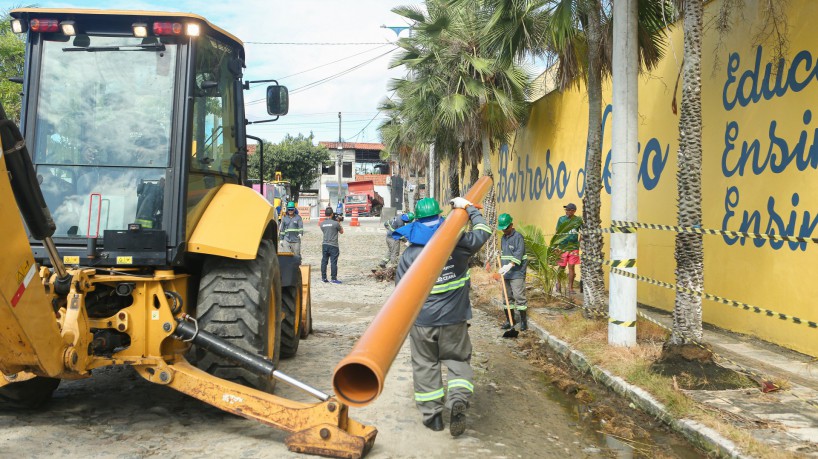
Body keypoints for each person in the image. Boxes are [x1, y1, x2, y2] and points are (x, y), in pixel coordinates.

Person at [394, 196, 492, 436]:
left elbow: (400, 293)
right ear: (440, 216)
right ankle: (458, 398)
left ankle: (433, 417)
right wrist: (468, 209)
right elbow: (484, 231)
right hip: (454, 320)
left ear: (417, 220)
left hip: (423, 323)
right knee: (458, 360)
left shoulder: (409, 256)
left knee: (425, 364)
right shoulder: (458, 244)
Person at [497, 213, 528, 331]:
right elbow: (505, 252)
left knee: (519, 296)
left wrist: (510, 264)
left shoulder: (518, 237)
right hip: (506, 273)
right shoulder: (503, 238)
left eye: (506, 228)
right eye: (503, 229)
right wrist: (500, 256)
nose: (504, 231)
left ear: (511, 225)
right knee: (506, 297)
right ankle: (510, 320)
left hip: (517, 273)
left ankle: (523, 321)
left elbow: (518, 254)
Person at [555, 202, 583, 295]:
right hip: (562, 247)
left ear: (573, 211)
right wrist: (556, 245)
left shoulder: (578, 220)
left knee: (571, 267)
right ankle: (558, 284)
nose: (566, 211)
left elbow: (582, 232)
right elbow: (557, 232)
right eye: (566, 209)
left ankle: (570, 287)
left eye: (568, 210)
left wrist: (579, 243)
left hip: (573, 247)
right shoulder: (561, 219)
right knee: (562, 266)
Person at [320, 206, 344, 284]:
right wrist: (339, 222)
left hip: (325, 244)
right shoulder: (335, 223)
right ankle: (333, 278)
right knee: (333, 262)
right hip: (333, 245)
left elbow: (324, 231)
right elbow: (341, 231)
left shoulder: (322, 223)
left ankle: (323, 278)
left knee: (324, 261)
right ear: (332, 214)